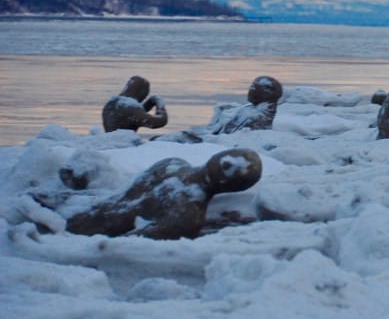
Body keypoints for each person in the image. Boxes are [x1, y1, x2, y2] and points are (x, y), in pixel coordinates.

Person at [65, 149, 262, 240]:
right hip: (87, 212)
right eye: (231, 158)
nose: (230, 164)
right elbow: (125, 193)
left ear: (232, 186)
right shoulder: (171, 164)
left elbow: (133, 240)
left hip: (90, 230)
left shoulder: (187, 215)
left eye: (238, 170)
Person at [101, 76, 168, 133]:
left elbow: (132, 116)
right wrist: (159, 102)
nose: (142, 99)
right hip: (125, 143)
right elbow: (159, 122)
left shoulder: (111, 103)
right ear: (141, 93)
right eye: (144, 97)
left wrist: (149, 103)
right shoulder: (130, 107)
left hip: (113, 139)